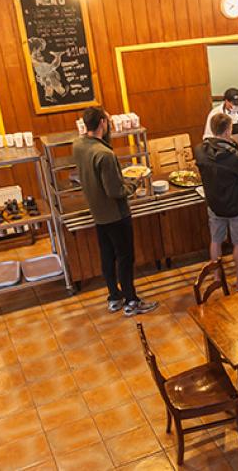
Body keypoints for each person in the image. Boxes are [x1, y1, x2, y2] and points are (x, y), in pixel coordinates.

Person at [72, 107, 158, 317]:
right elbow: (115, 191)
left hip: (98, 212)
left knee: (107, 256)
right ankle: (131, 301)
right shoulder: (105, 154)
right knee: (125, 258)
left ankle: (114, 297)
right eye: (108, 121)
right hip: (116, 214)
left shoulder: (78, 145)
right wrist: (134, 183)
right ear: (102, 122)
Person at [196, 113, 238, 291]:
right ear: (228, 130)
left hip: (214, 203)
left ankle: (217, 278)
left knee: (215, 240)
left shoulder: (200, 150)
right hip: (236, 204)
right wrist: (237, 149)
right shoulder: (233, 155)